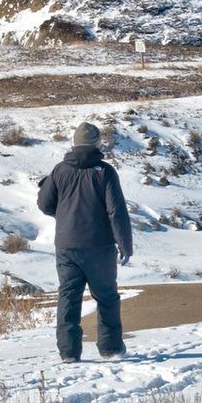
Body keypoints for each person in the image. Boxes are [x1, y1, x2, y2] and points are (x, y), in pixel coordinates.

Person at [36, 122, 133, 361]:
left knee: (68, 297)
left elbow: (44, 204)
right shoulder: (105, 172)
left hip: (67, 246)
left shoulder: (59, 170)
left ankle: (69, 353)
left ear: (74, 143)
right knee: (107, 297)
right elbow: (116, 210)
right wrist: (125, 244)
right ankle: (111, 349)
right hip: (99, 246)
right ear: (97, 143)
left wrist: (66, 215)